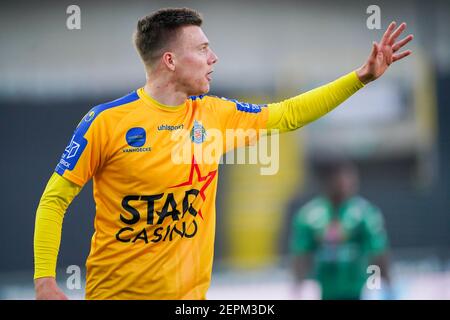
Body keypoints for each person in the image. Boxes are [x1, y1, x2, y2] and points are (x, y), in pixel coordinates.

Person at [33, 7, 412, 299]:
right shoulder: (105, 122)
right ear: (170, 60)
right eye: (202, 49)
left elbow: (290, 114)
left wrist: (360, 78)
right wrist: (45, 280)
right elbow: (54, 201)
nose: (213, 58)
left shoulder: (215, 115)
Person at [289, 159, 391, 300]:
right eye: (338, 177)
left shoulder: (365, 213)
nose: (343, 182)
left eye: (348, 177)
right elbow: (301, 255)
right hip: (325, 291)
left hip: (357, 290)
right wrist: (298, 287)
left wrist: (385, 285)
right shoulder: (309, 215)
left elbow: (378, 252)